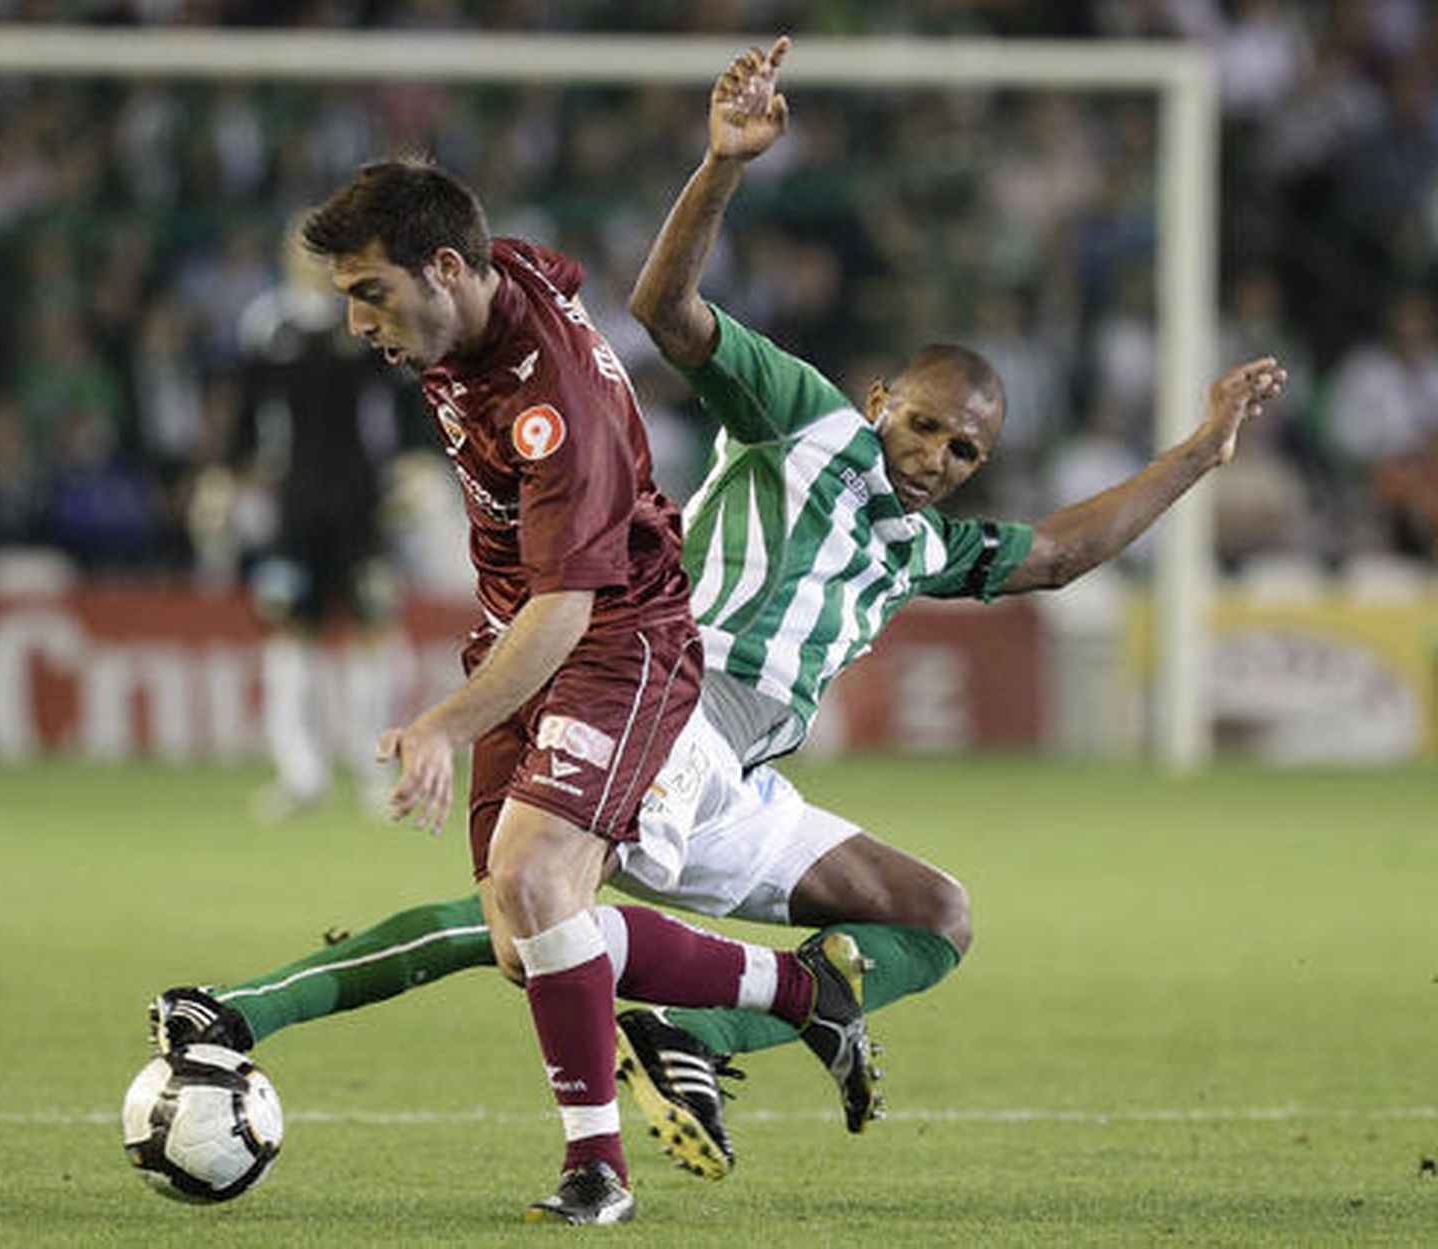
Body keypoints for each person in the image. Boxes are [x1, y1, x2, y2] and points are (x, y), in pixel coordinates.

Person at [151, 37, 1287, 1196]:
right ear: (881, 399)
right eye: (926, 423)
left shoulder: (922, 547)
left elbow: (1057, 554)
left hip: (731, 763)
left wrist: (1198, 453)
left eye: (966, 449)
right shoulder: (804, 421)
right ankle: (282, 1013)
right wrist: (721, 166)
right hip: (672, 688)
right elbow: (665, 308)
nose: (938, 456)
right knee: (534, 903)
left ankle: (696, 1037)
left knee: (931, 914)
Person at [155, 157, 876, 1227]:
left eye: (370, 294)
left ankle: (599, 1172)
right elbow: (555, 266)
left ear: (444, 268)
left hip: (618, 643)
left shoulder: (557, 408)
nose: (357, 324)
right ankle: (808, 995)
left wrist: (445, 725)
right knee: (522, 934)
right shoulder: (482, 299)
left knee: (538, 881)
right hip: (525, 629)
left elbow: (568, 610)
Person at [227, 228, 410, 822]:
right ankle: (299, 772)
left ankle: (369, 769)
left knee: (370, 627)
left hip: (360, 501)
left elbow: (398, 403)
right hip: (295, 503)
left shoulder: (363, 321)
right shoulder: (267, 326)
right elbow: (248, 418)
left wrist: (412, 466)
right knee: (290, 630)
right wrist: (228, 476)